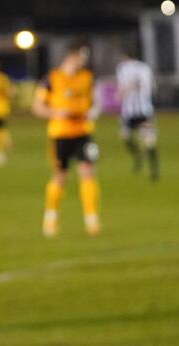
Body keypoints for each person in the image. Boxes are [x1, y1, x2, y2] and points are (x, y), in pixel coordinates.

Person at [32, 41, 101, 237]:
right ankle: (51, 217)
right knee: (60, 176)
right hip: (60, 134)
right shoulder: (52, 79)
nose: (84, 61)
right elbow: (37, 106)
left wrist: (93, 112)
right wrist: (55, 112)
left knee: (87, 172)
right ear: (71, 56)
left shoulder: (87, 78)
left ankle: (91, 219)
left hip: (83, 132)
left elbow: (95, 103)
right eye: (81, 56)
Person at [116, 48, 159, 180]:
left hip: (132, 111)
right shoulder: (145, 68)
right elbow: (153, 86)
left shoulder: (123, 68)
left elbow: (127, 85)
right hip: (143, 110)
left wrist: (120, 93)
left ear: (125, 56)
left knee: (127, 136)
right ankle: (151, 168)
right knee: (146, 139)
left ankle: (142, 160)